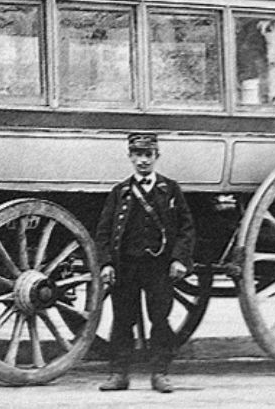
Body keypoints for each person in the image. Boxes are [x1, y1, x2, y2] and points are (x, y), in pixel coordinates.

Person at [94, 132, 195, 394]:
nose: (143, 161)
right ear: (130, 157)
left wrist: (179, 259)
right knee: (122, 319)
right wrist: (106, 264)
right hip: (125, 266)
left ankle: (160, 373)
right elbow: (103, 232)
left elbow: (186, 228)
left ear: (156, 157)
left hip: (159, 267)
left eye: (148, 155)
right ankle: (119, 374)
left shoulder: (170, 189)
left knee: (159, 319)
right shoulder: (120, 192)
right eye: (137, 155)